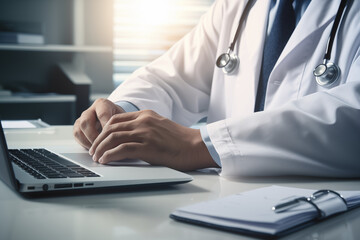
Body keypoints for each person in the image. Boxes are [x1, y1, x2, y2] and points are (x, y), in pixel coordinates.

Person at [73, 0, 360, 178]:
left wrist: (201, 144)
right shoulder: (237, 6)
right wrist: (120, 114)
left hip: (325, 213)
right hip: (227, 203)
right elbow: (172, 78)